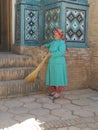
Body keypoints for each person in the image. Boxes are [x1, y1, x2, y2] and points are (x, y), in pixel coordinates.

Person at [41, 28, 68, 100]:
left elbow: (61, 52)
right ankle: (53, 91)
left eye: (56, 34)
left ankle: (58, 92)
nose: (55, 35)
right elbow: (49, 44)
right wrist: (45, 45)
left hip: (59, 63)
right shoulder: (54, 42)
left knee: (58, 77)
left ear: (60, 35)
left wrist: (52, 54)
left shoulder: (62, 43)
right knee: (52, 77)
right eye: (54, 34)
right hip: (52, 63)